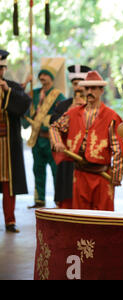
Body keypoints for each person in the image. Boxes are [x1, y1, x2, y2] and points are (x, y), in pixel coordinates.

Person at [50, 71, 123, 211]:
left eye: (94, 88)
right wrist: (57, 142)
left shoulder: (111, 117)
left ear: (101, 90)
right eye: (87, 88)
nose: (89, 92)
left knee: (103, 219)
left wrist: (117, 175)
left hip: (103, 176)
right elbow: (54, 127)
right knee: (81, 217)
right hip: (80, 174)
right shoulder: (73, 113)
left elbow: (118, 148)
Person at [22, 57, 66, 209]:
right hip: (37, 140)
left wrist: (45, 121)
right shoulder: (34, 93)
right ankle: (39, 199)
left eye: (46, 76)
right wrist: (26, 83)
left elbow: (61, 115)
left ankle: (58, 200)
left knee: (56, 171)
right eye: (41, 76)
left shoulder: (58, 96)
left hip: (51, 141)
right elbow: (22, 102)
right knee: (38, 170)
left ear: (52, 78)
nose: (43, 78)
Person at [49, 64, 91, 209]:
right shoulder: (63, 105)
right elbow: (53, 124)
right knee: (66, 195)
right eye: (75, 84)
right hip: (67, 155)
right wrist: (71, 111)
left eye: (81, 84)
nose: (78, 87)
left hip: (86, 157)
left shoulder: (93, 105)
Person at [0, 49, 32, 233]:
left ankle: (10, 220)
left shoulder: (12, 87)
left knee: (8, 183)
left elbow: (24, 105)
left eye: (2, 68)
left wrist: (8, 92)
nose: (0, 72)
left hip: (7, 144)